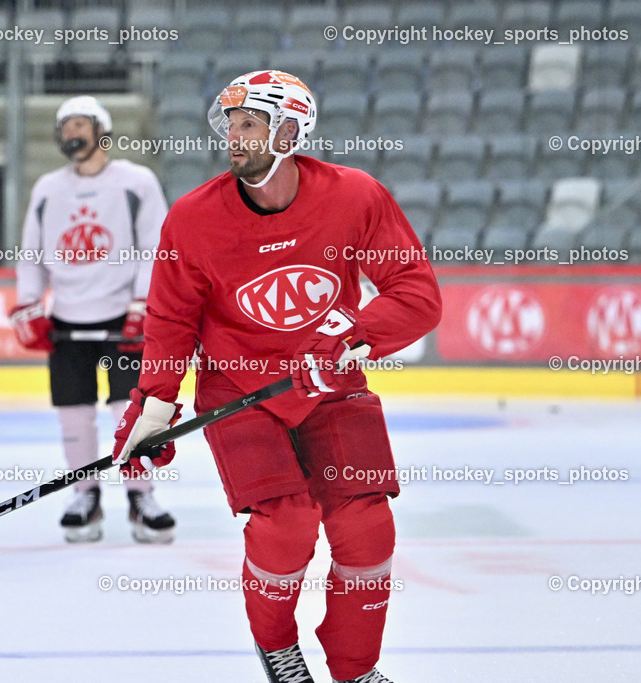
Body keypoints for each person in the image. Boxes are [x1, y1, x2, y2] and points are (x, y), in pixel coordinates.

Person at [111, 71, 442, 683]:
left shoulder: (354, 196)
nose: (233, 138)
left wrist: (351, 337)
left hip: (330, 387)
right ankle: (279, 651)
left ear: (289, 130)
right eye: (230, 125)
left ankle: (355, 669)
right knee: (285, 524)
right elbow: (170, 320)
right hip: (242, 396)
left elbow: (417, 294)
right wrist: (154, 405)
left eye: (249, 125)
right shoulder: (192, 220)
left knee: (366, 523)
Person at [10, 95, 175, 543]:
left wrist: (143, 304)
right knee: (74, 416)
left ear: (101, 129)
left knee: (132, 412)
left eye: (79, 124)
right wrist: (28, 305)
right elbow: (32, 253)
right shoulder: (47, 187)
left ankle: (142, 495)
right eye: (64, 127)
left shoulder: (136, 182)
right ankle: (85, 493)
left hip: (123, 318)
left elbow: (154, 247)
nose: (70, 134)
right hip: (67, 320)